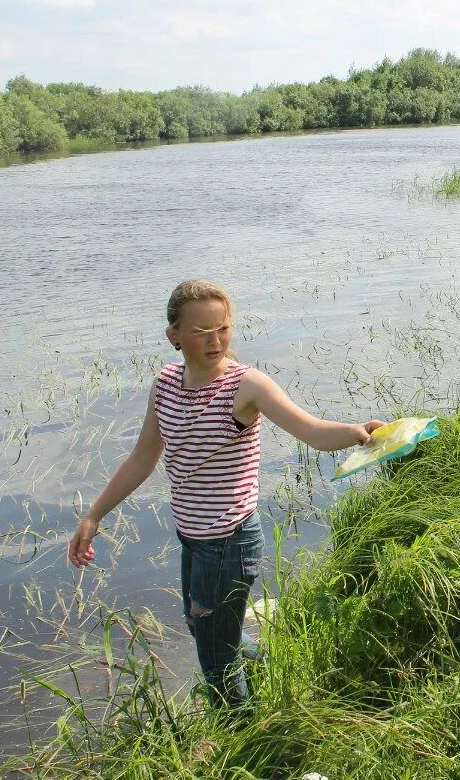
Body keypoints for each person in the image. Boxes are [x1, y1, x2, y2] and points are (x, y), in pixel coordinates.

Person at [68, 280, 386, 708]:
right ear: (174, 336)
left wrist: (354, 432)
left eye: (222, 328)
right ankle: (277, 666)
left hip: (229, 542)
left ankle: (244, 736)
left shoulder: (247, 386)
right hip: (193, 538)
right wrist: (94, 516)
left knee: (215, 658)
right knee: (205, 629)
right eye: (201, 331)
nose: (215, 340)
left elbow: (309, 430)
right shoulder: (165, 384)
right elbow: (142, 459)